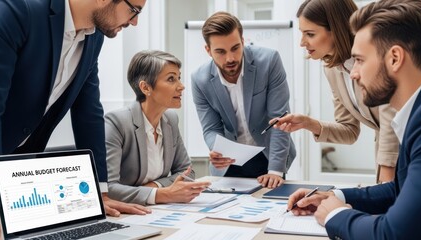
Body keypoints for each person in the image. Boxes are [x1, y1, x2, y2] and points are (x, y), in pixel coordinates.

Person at [287, 0, 421, 239]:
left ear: (395, 58)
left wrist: (335, 215)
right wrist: (336, 197)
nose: (354, 73)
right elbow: (399, 190)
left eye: (359, 60)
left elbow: (394, 234)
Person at [0, 0, 150, 217]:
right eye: (134, 10)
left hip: (18, 170)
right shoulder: (19, 11)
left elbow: (89, 113)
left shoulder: (94, 38)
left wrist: (100, 192)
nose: (134, 22)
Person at [271, 0, 399, 183]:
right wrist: (308, 123)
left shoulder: (377, 56)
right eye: (302, 34)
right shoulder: (332, 70)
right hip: (388, 159)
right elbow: (349, 131)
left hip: (409, 151)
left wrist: (386, 178)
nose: (302, 43)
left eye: (310, 34)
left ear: (336, 29)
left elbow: (390, 120)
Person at [191, 11, 296, 189]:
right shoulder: (199, 79)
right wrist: (217, 150)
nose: (230, 58)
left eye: (235, 48)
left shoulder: (269, 62)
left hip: (268, 157)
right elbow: (211, 128)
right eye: (220, 52)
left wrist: (276, 171)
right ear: (208, 50)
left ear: (243, 41)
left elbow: (279, 119)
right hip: (229, 164)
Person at [105, 50, 211, 205]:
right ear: (146, 88)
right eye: (171, 79)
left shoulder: (170, 119)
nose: (181, 87)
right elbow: (108, 189)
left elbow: (187, 172)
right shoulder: (117, 122)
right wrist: (162, 195)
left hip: (155, 210)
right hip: (126, 214)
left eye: (178, 78)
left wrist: (155, 187)